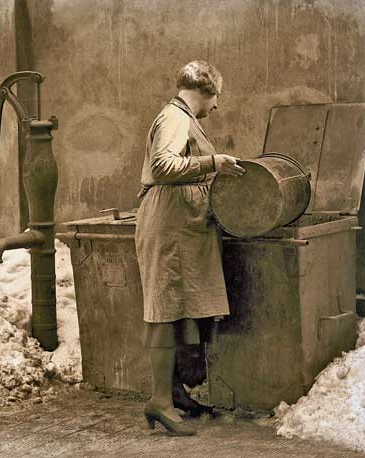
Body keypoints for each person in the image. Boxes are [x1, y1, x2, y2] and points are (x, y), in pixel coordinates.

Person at [135, 60, 245, 436]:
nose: (216, 107)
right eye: (216, 98)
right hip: (170, 225)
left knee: (180, 309)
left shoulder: (181, 117)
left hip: (180, 225)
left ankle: (175, 393)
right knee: (166, 309)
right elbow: (164, 165)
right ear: (206, 91)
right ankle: (159, 402)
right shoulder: (175, 118)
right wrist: (214, 162)